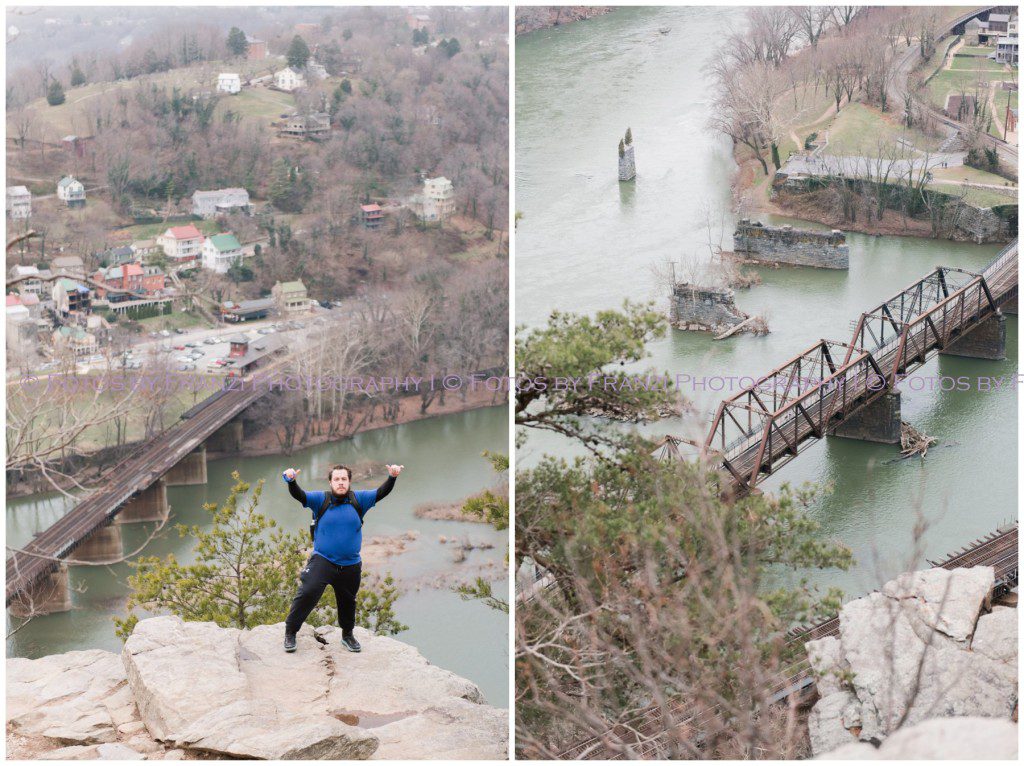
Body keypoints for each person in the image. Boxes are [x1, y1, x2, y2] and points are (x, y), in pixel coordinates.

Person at [280, 463, 403, 653]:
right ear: (330, 482)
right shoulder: (320, 499)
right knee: (307, 592)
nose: (340, 483)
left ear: (349, 482)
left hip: (350, 564)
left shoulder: (358, 499)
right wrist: (291, 481)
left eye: (344, 479)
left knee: (348, 601)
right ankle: (290, 632)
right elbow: (300, 495)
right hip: (323, 560)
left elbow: (381, 492)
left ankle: (347, 635)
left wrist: (392, 477)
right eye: (336, 479)